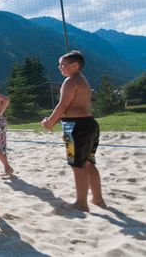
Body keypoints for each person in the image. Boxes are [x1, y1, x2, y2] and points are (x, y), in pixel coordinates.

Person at [41, 50, 106, 212]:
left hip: (76, 127)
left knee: (78, 165)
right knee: (89, 162)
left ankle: (81, 203)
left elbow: (62, 106)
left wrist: (50, 122)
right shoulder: (81, 80)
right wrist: (54, 121)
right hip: (89, 124)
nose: (59, 67)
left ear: (75, 65)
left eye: (63, 64)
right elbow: (69, 107)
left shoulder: (70, 81)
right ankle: (97, 199)